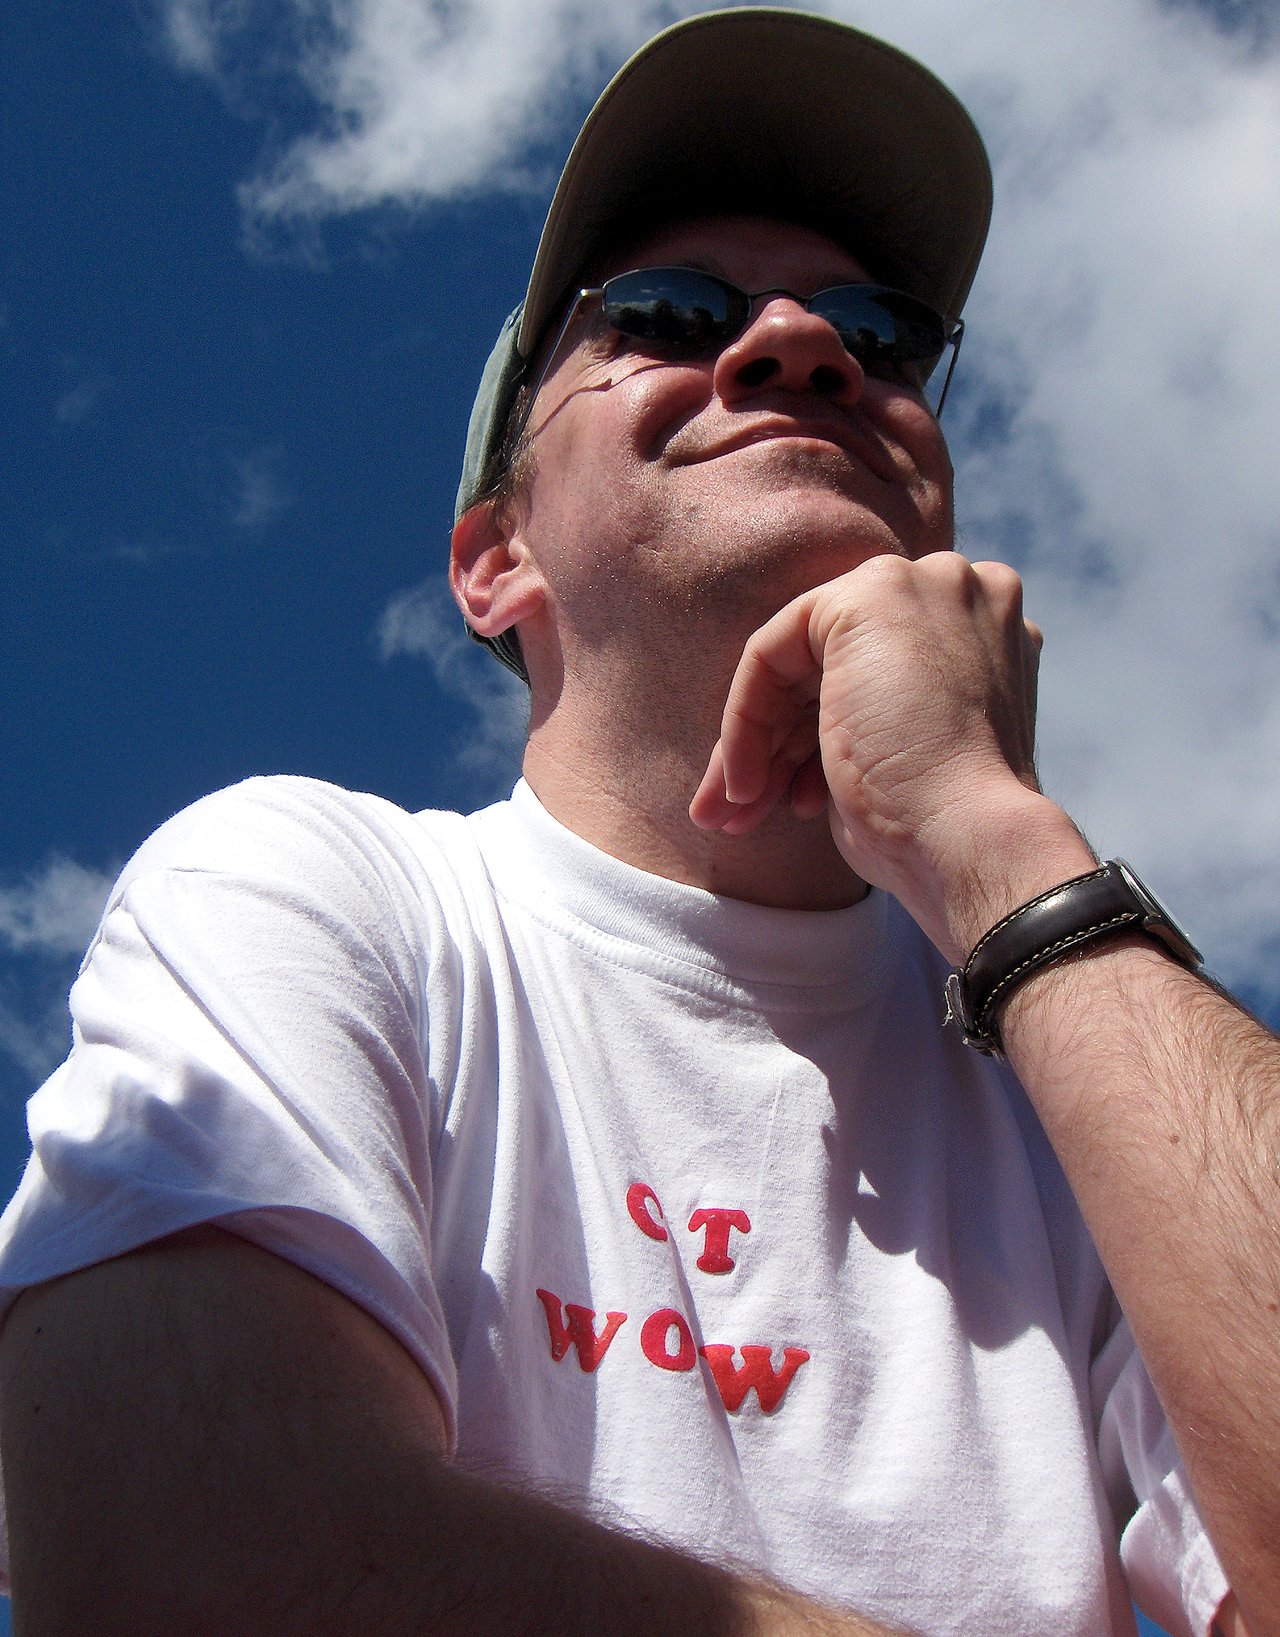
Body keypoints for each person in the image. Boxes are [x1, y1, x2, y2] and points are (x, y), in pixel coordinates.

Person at [0, 10, 1274, 1635]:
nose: (804, 345)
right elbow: (186, 1558)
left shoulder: (1079, 1064)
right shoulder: (325, 897)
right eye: (674, 313)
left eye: (883, 337)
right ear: (495, 561)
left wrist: (999, 841)